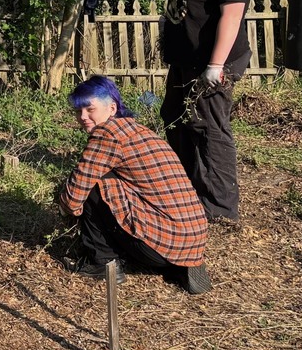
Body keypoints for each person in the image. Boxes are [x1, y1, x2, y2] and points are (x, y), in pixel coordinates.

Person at [59, 76, 211, 294]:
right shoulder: (140, 131)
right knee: (113, 181)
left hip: (159, 245)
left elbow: (74, 194)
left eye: (89, 109)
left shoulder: (107, 134)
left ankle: (103, 262)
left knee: (94, 184)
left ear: (112, 108)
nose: (82, 117)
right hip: (193, 238)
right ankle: (178, 263)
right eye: (78, 111)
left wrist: (66, 212)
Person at [159, 0, 254, 222]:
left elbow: (232, 14)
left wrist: (216, 66)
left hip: (213, 63)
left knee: (209, 127)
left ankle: (219, 207)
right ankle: (187, 188)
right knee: (175, 116)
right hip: (189, 59)